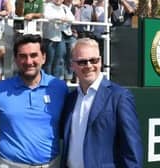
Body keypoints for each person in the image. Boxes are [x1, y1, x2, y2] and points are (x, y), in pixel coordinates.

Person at [60, 38, 143, 168]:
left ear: (101, 61)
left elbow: (132, 149)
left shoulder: (119, 97)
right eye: (82, 62)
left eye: (94, 60)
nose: (88, 65)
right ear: (72, 65)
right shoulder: (70, 99)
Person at [0, 34, 68, 168]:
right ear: (15, 59)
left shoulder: (59, 88)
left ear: (43, 57)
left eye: (34, 55)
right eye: (23, 56)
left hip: (50, 165)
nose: (28, 61)